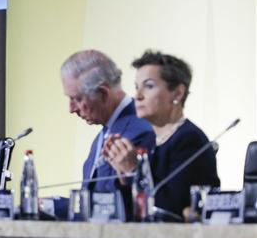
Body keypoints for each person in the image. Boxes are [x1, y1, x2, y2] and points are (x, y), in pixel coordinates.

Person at [104, 50, 219, 220]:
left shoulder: (189, 140)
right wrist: (123, 174)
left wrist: (134, 171)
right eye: (137, 87)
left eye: (148, 86)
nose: (138, 96)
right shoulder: (148, 141)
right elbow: (130, 213)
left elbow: (172, 211)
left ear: (177, 93)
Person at [60, 50, 156, 201]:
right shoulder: (104, 134)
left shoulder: (140, 131)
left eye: (77, 99)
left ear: (103, 93)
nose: (71, 109)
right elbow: (91, 204)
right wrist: (52, 206)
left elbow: (123, 205)